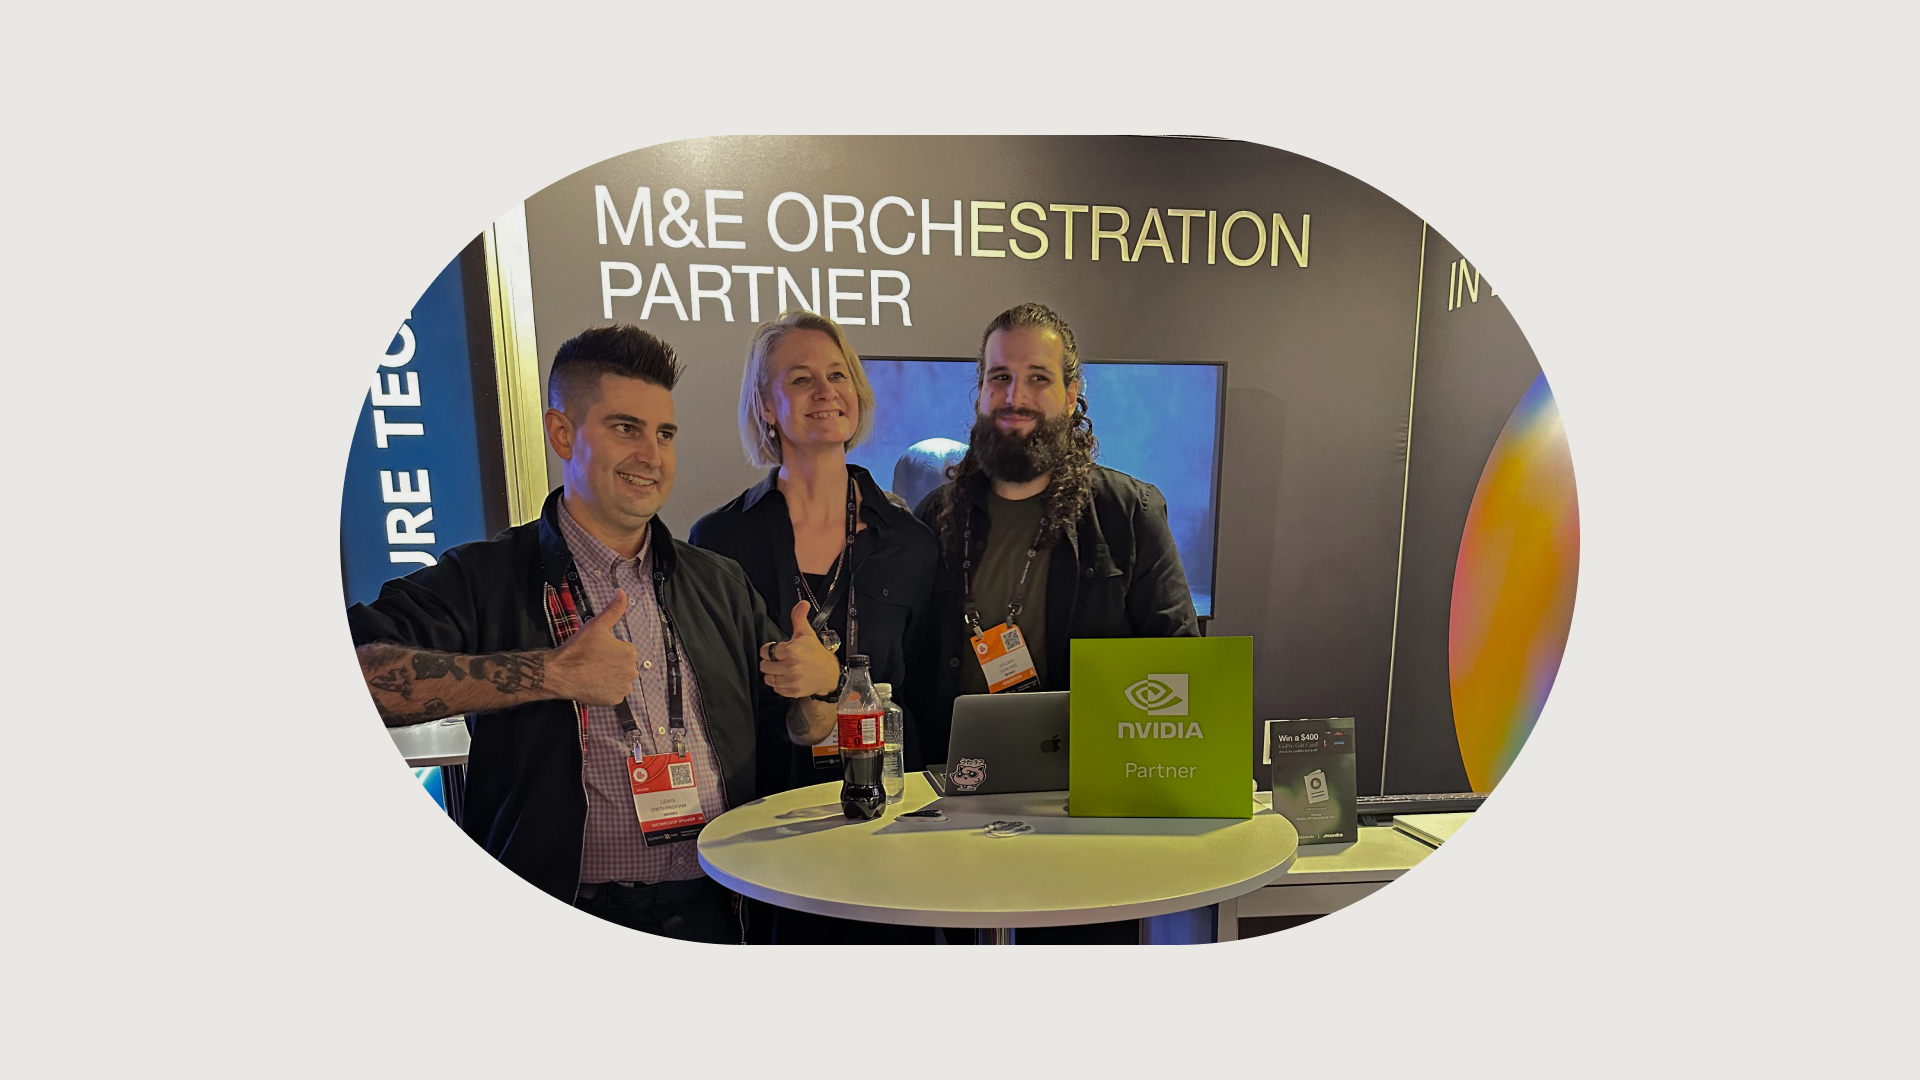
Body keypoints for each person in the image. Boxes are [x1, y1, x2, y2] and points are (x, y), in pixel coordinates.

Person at [347, 324, 841, 944]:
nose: (652, 456)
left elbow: (799, 727)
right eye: (625, 428)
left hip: (714, 912)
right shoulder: (485, 578)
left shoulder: (718, 582)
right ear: (562, 433)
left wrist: (818, 689)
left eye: (664, 434)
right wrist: (550, 673)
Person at [914, 303, 1199, 943]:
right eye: (999, 378)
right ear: (980, 391)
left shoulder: (1129, 514)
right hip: (954, 813)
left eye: (1038, 378)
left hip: (1087, 820)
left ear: (1072, 394)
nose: (1015, 396)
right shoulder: (934, 519)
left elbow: (1178, 662)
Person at [690, 310, 938, 945]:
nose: (826, 391)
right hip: (769, 831)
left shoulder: (911, 544)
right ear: (765, 407)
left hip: (890, 822)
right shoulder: (719, 542)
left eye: (838, 375)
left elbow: (927, 696)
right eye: (800, 379)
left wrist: (839, 683)